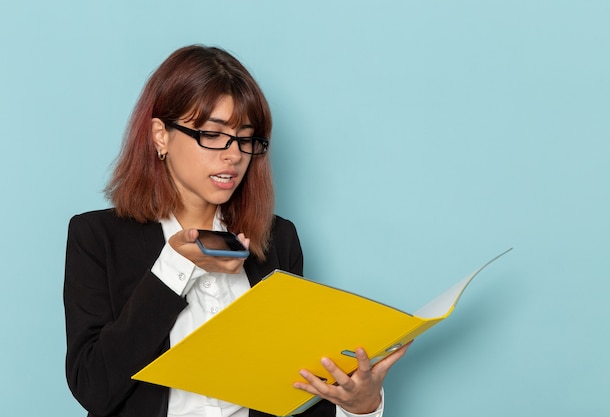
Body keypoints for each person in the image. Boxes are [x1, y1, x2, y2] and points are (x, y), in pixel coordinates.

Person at [63, 45, 411, 417]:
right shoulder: (97, 237)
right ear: (160, 135)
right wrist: (174, 270)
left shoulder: (278, 240)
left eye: (245, 138)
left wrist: (359, 407)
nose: (233, 155)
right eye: (213, 134)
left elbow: (292, 389)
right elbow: (94, 387)